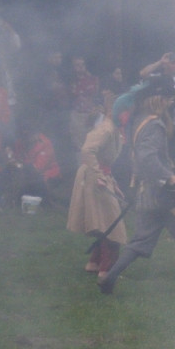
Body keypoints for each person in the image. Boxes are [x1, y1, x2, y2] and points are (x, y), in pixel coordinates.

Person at [98, 77, 175, 295]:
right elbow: (148, 159)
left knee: (140, 242)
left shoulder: (139, 120)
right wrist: (172, 179)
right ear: (160, 100)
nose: (170, 103)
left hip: (148, 195)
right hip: (167, 195)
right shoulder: (154, 124)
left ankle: (110, 278)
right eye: (168, 99)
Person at [66, 104, 127, 280]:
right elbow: (87, 150)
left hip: (101, 176)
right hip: (94, 177)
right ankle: (107, 269)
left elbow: (105, 160)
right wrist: (98, 175)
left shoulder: (113, 129)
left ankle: (94, 263)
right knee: (112, 225)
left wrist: (111, 181)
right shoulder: (106, 129)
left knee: (105, 222)